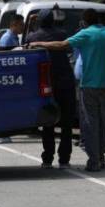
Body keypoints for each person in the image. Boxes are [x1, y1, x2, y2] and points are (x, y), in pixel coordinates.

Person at [30, 8, 105, 172]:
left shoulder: (85, 34)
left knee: (89, 123)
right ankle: (98, 158)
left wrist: (38, 43)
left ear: (84, 21)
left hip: (88, 84)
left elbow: (61, 45)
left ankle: (92, 162)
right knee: (101, 123)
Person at [26, 9, 76, 168]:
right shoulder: (62, 34)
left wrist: (30, 25)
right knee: (66, 123)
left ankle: (47, 158)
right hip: (65, 82)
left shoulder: (33, 37)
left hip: (46, 84)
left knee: (48, 121)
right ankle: (64, 159)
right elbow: (69, 50)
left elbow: (25, 46)